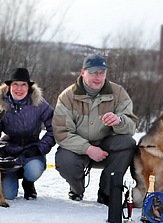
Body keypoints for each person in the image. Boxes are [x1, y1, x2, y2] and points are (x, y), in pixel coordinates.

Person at [52, 54, 138, 204]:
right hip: (78, 150)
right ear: (82, 72)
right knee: (64, 159)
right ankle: (77, 189)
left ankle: (107, 192)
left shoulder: (118, 93)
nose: (98, 77)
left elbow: (131, 126)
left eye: (102, 73)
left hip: (106, 147)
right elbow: (62, 133)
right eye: (93, 72)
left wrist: (119, 121)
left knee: (127, 143)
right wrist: (87, 148)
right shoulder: (67, 97)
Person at [0, 67, 55, 200]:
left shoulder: (40, 104)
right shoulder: (1, 105)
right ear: (9, 87)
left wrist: (39, 147)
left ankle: (28, 183)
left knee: (33, 170)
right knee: (8, 195)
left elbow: (54, 129)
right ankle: (9, 176)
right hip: (9, 151)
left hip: (31, 149)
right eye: (15, 84)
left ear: (29, 87)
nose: (19, 89)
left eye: (23, 85)